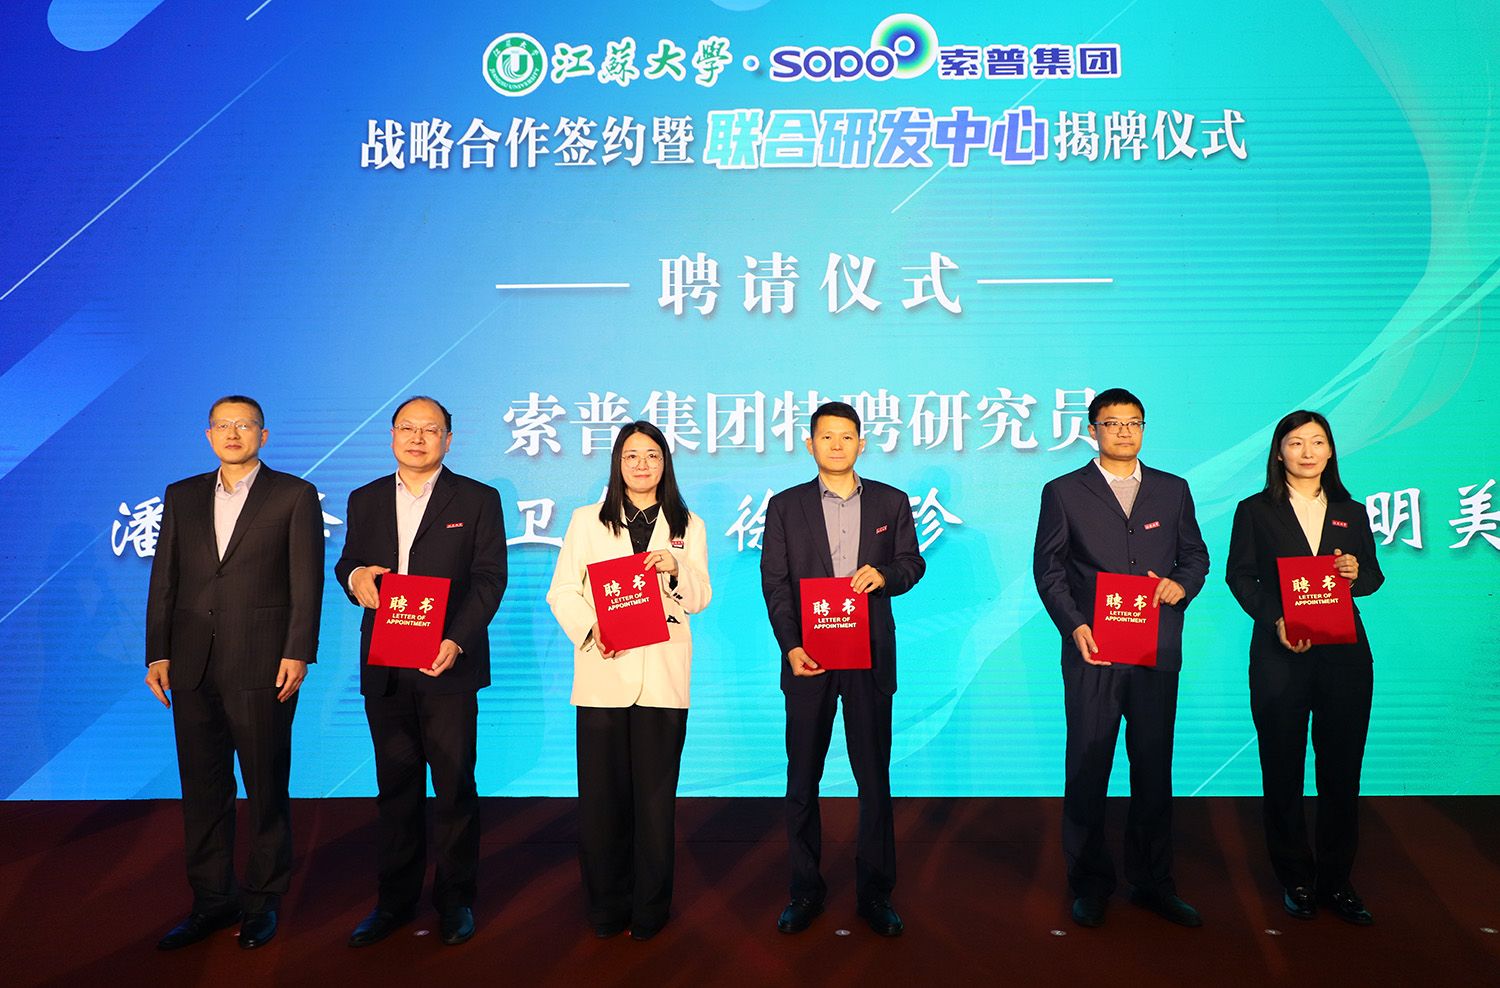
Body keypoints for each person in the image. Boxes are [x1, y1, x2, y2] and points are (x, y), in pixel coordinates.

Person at [146, 395, 324, 951]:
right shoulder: (182, 495)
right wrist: (157, 653)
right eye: (222, 425)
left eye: (244, 425)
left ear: (262, 436)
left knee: (265, 787)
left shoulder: (293, 495)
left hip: (263, 664)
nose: (232, 433)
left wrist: (298, 651)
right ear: (208, 435)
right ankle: (211, 900)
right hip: (191, 663)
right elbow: (165, 578)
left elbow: (307, 581)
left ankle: (263, 900)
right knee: (202, 790)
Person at [1032, 387, 1210, 929]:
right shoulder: (1064, 491)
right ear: (1092, 431)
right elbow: (1049, 569)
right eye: (1112, 423)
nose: (1125, 431)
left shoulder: (1172, 489)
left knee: (1153, 769)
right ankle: (1089, 883)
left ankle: (1154, 882)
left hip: (1155, 650)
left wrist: (1181, 585)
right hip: (1095, 652)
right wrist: (1075, 625)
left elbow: (1195, 556)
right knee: (1088, 768)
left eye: (1134, 422)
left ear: (1144, 428)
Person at [335, 396, 506, 947]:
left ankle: (455, 900)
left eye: (430, 430)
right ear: (391, 435)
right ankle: (394, 902)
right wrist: (355, 576)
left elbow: (489, 579)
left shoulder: (477, 499)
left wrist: (456, 640)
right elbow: (347, 562)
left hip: (446, 665)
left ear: (448, 440)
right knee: (395, 788)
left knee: (454, 787)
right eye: (406, 428)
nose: (417, 438)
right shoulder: (364, 499)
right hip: (386, 666)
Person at [761, 400, 926, 938]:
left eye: (847, 436)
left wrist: (885, 576)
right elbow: (775, 583)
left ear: (862, 443)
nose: (837, 444)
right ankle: (804, 891)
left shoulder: (891, 501)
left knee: (873, 778)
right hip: (808, 658)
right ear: (810, 444)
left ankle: (875, 893)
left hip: (868, 656)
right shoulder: (785, 506)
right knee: (802, 779)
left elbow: (912, 563)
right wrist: (790, 646)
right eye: (826, 436)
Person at [546, 421, 712, 941]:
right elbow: (562, 591)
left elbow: (701, 597)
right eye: (631, 456)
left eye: (652, 455)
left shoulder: (689, 525)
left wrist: (675, 570)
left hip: (663, 678)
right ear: (617, 463)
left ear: (666, 464)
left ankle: (650, 909)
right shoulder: (586, 520)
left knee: (656, 804)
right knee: (601, 803)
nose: (642, 465)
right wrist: (592, 628)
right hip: (603, 675)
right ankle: (605, 907)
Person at [1226, 410, 1384, 925]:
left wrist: (1354, 573)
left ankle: (1337, 879)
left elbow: (1373, 578)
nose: (1308, 451)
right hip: (1280, 656)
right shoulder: (1255, 511)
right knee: (1283, 768)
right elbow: (1239, 576)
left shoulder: (1351, 511)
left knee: (1341, 772)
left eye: (1318, 441)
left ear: (1331, 450)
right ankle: (1295, 875)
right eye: (1296, 443)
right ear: (1279, 452)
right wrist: (1275, 619)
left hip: (1344, 658)